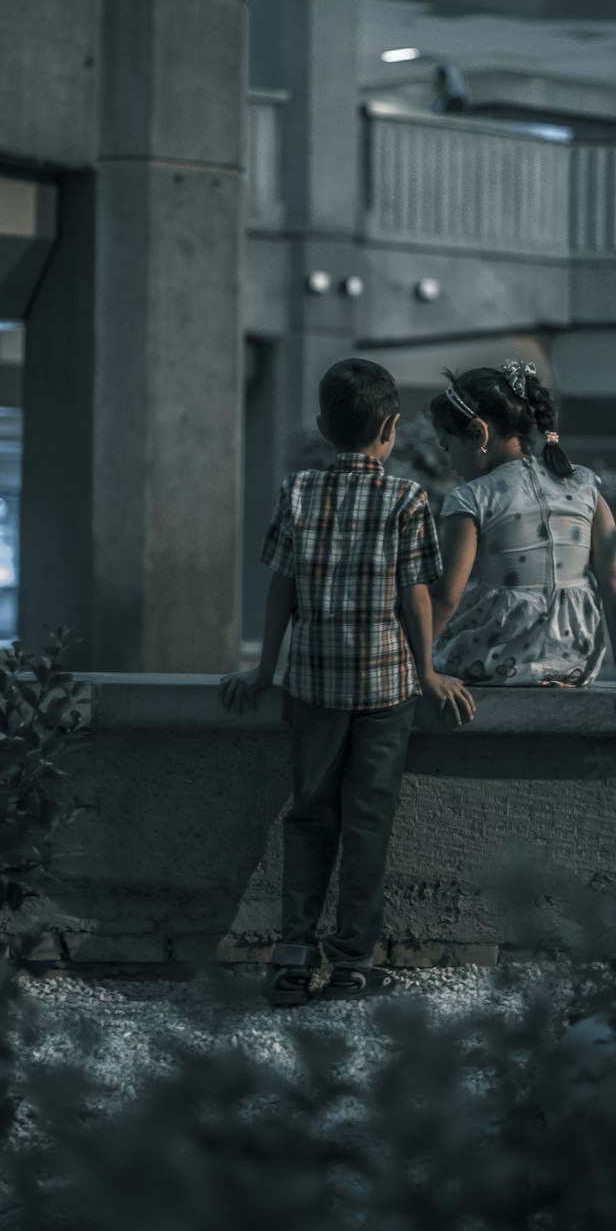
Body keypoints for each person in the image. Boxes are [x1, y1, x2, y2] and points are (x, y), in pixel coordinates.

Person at [220, 359, 475, 1007]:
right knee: (367, 824)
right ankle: (353, 961)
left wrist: (265, 669)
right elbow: (416, 598)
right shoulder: (408, 498)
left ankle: (292, 955)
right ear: (390, 429)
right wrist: (427, 671)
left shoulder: (297, 493)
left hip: (311, 686)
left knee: (309, 818)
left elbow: (282, 590)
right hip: (386, 690)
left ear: (321, 426)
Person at [427, 359, 616, 712]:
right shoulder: (584, 486)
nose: (450, 461)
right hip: (572, 662)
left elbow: (445, 598)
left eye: (448, 446)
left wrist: (415, 670)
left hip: (489, 660)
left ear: (479, 434)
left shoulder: (472, 498)